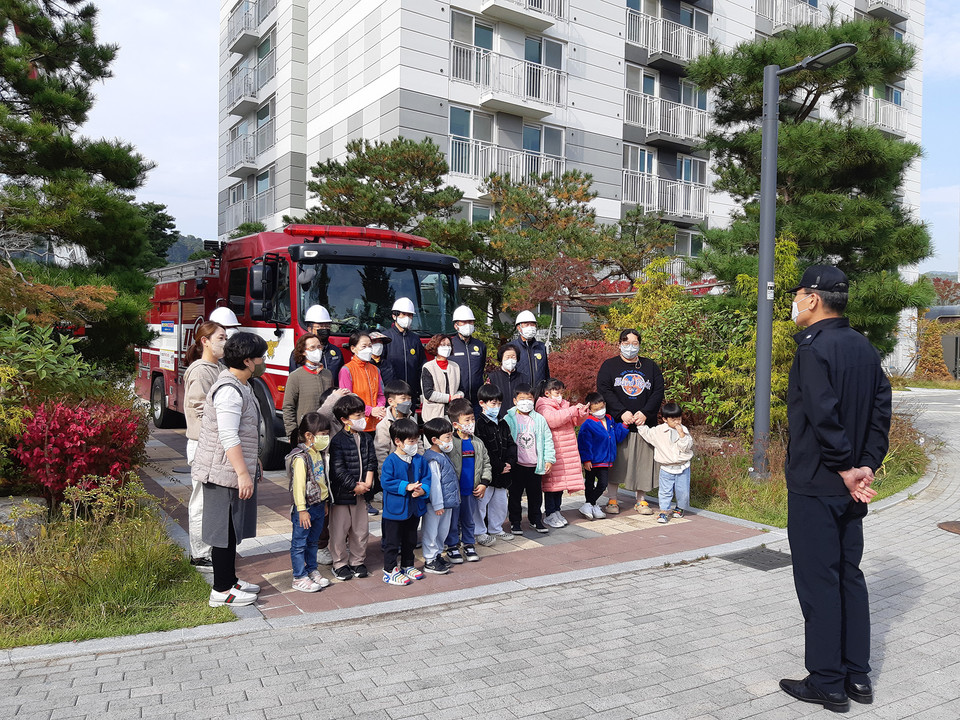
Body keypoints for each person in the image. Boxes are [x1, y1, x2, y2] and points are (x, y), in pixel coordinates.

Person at [778, 265, 890, 713]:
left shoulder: (813, 350)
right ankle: (856, 675)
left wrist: (846, 467)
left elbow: (823, 416)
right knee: (849, 574)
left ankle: (827, 681)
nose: (794, 303)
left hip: (817, 484)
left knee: (819, 580)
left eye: (797, 295)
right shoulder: (865, 347)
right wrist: (867, 465)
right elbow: (881, 410)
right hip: (850, 485)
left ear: (812, 298)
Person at [193, 331, 267, 607]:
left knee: (232, 529)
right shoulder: (229, 391)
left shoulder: (242, 384)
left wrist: (253, 460)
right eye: (261, 357)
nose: (263, 362)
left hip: (230, 469)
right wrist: (242, 473)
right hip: (222, 473)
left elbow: (245, 433)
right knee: (222, 530)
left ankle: (230, 579)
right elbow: (229, 437)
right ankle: (221, 589)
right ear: (248, 361)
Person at [596, 329, 664, 515]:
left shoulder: (650, 366)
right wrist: (621, 412)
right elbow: (604, 390)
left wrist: (645, 412)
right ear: (619, 344)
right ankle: (612, 499)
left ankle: (641, 500)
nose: (630, 347)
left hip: (643, 425)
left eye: (635, 343)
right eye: (626, 343)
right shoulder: (609, 366)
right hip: (618, 425)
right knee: (616, 462)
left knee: (643, 463)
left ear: (640, 345)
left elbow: (658, 392)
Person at [182, 320, 226, 572]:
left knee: (213, 501)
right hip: (202, 444)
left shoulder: (218, 367)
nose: (225, 342)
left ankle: (210, 548)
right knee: (201, 499)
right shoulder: (199, 370)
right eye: (220, 337)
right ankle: (199, 554)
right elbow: (199, 409)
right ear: (204, 341)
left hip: (216, 444)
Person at [327, 393, 376, 582]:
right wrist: (354, 486)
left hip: (362, 493)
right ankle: (339, 563)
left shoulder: (366, 438)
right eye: (358, 416)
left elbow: (371, 461)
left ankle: (357, 561)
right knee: (339, 531)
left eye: (362, 414)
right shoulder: (338, 441)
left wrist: (368, 484)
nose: (362, 419)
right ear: (344, 420)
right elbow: (338, 469)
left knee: (360, 530)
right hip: (343, 494)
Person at [379, 417, 431, 586]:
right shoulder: (391, 461)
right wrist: (406, 486)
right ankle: (389, 570)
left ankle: (408, 565)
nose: (414, 444)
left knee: (410, 540)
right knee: (392, 542)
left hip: (414, 508)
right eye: (411, 441)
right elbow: (386, 482)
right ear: (398, 441)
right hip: (395, 511)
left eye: (416, 440)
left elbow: (427, 478)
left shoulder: (419, 459)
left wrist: (423, 490)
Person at [284, 412, 332, 593]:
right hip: (306, 508)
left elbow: (321, 480)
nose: (325, 437)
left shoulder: (318, 453)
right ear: (309, 436)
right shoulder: (300, 457)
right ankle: (299, 576)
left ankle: (312, 570)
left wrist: (325, 501)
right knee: (299, 543)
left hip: (319, 505)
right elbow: (298, 487)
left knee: (313, 541)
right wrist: (302, 510)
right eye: (322, 434)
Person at [535, 378, 589, 529]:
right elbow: (552, 420)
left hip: (566, 449)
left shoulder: (564, 406)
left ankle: (556, 510)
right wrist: (572, 410)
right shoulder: (543, 406)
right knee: (551, 484)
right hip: (553, 449)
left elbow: (575, 421)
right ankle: (550, 512)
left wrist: (582, 413)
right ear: (547, 393)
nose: (559, 395)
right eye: (556, 392)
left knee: (560, 484)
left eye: (561, 392)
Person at [503, 383, 555, 535]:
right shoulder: (508, 418)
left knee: (535, 495)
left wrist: (549, 459)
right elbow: (505, 442)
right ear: (515, 400)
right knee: (514, 495)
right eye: (522, 399)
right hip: (516, 465)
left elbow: (547, 439)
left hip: (534, 464)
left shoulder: (539, 419)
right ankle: (515, 521)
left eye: (529, 399)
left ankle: (535, 519)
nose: (526, 402)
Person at [443, 398, 490, 564]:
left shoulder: (477, 443)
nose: (471, 423)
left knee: (469, 519)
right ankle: (452, 545)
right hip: (454, 492)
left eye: (472, 419)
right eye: (467, 420)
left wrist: (484, 482)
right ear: (456, 424)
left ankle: (469, 544)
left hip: (471, 491)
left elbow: (486, 464)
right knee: (452, 520)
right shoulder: (450, 444)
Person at [635, 402, 694, 524]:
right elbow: (648, 434)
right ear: (665, 419)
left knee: (683, 491)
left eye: (679, 418)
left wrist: (681, 434)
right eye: (673, 419)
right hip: (666, 468)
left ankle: (680, 508)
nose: (677, 422)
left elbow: (686, 447)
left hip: (682, 467)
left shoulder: (684, 430)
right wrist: (639, 424)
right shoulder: (659, 431)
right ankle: (664, 511)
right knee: (665, 491)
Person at [473, 383, 517, 544]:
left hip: (503, 473)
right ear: (482, 403)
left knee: (499, 503)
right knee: (481, 504)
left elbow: (512, 444)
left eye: (499, 403)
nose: (496, 406)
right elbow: (483, 450)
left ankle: (496, 528)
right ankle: (479, 532)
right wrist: (499, 465)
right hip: (488, 473)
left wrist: (509, 462)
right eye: (493, 403)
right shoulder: (479, 425)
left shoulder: (503, 423)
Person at [576, 391, 629, 520]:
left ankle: (590, 504)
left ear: (604, 404)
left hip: (605, 460)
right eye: (596, 409)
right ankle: (591, 505)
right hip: (592, 460)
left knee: (602, 484)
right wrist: (586, 459)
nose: (600, 411)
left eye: (601, 408)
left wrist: (624, 425)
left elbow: (617, 435)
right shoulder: (587, 423)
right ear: (590, 410)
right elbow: (584, 442)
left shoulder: (610, 419)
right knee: (589, 483)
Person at [421, 417, 459, 575]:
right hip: (436, 505)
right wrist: (438, 505)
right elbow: (435, 484)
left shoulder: (443, 455)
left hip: (447, 503)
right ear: (435, 440)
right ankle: (429, 559)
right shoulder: (432, 459)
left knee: (442, 530)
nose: (450, 440)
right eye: (447, 437)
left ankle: (437, 554)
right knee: (431, 530)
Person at [282, 333, 334, 442]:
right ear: (304, 351)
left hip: (326, 432)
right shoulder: (295, 376)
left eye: (319, 347)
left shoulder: (327, 374)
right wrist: (292, 433)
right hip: (306, 434)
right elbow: (288, 407)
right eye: (312, 348)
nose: (317, 350)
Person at [338, 331, 387, 433]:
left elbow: (381, 394)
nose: (368, 349)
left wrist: (379, 408)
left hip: (377, 423)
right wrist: (370, 411)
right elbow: (348, 399)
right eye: (363, 346)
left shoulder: (375, 369)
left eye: (370, 346)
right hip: (357, 425)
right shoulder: (347, 370)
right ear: (353, 348)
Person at [382, 297, 426, 403]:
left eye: (410, 315)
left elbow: (421, 365)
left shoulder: (415, 339)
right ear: (394, 316)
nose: (407, 317)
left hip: (411, 394)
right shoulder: (385, 337)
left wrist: (420, 391)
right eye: (404, 314)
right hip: (392, 395)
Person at [287, 304, 344, 384]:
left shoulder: (336, 352)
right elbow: (293, 381)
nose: (324, 329)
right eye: (320, 326)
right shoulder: (299, 352)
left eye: (327, 326)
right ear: (310, 329)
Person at [449, 305, 486, 410]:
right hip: (458, 398)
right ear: (456, 325)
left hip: (477, 400)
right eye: (464, 322)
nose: (468, 325)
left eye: (470, 322)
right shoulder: (450, 345)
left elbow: (481, 367)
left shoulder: (480, 345)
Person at [374, 379, 418, 469]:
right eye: (403, 398)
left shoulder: (412, 420)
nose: (408, 402)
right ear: (391, 401)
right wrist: (385, 475)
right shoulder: (384, 425)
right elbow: (381, 452)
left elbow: (419, 444)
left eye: (409, 399)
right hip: (395, 470)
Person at [420, 334, 462, 422]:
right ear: (435, 346)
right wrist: (450, 398)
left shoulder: (455, 366)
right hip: (434, 414)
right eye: (442, 345)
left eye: (448, 345)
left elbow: (461, 388)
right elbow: (428, 393)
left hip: (452, 413)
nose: (446, 347)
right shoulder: (428, 367)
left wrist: (459, 396)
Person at [509, 310, 550, 395]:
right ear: (519, 327)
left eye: (532, 324)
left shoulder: (541, 347)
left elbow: (546, 372)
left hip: (540, 395)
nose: (530, 327)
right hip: (520, 395)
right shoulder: (511, 347)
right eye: (526, 324)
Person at [486, 344, 523, 419]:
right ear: (501, 358)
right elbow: (487, 399)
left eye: (513, 357)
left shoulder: (524, 378)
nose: (510, 360)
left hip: (519, 419)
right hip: (498, 418)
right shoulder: (492, 377)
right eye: (507, 357)